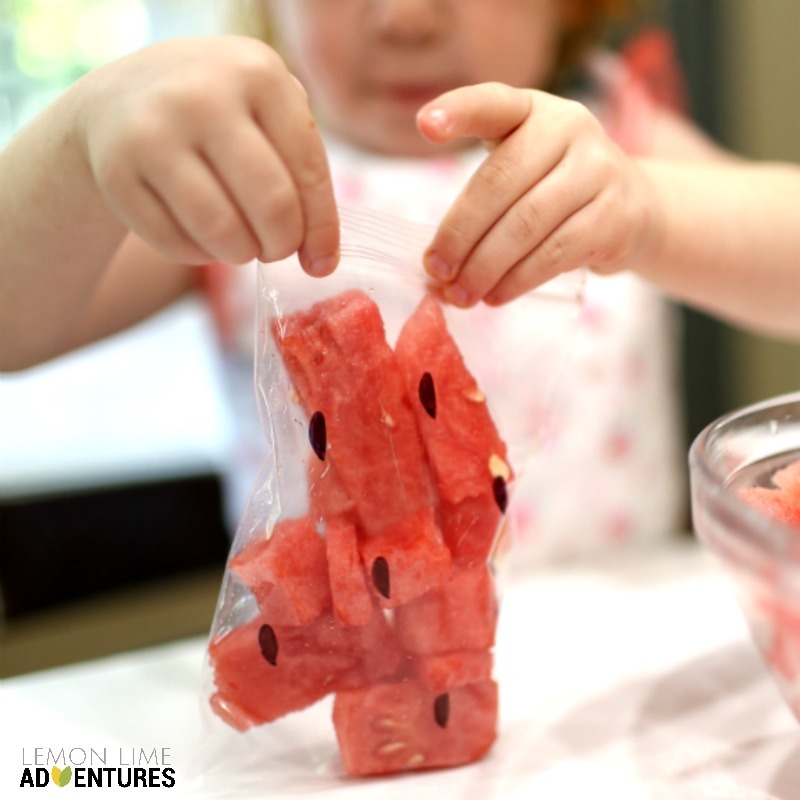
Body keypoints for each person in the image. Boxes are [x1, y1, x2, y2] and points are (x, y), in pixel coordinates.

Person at [1, 0, 798, 562]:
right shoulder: (239, 171)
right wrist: (80, 141)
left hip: (610, 694)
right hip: (356, 698)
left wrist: (651, 208)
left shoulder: (617, 134)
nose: (407, 16)